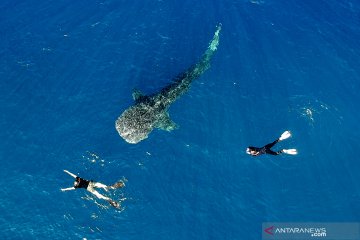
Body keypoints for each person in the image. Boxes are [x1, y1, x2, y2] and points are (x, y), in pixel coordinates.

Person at [61, 170, 125, 208]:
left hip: (91, 185)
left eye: (74, 183)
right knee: (101, 194)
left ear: (76, 181)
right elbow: (70, 188)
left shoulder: (78, 179)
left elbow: (72, 175)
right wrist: (64, 189)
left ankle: (114, 188)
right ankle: (111, 200)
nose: (74, 184)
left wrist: (67, 172)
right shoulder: (78, 184)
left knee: (103, 188)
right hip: (90, 187)